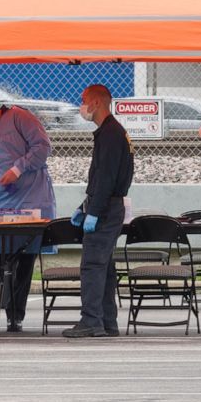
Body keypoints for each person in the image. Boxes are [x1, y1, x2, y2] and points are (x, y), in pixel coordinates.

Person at [0, 93, 56, 332]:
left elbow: (44, 147)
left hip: (32, 199)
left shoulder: (20, 118)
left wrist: (18, 168)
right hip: (2, 201)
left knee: (24, 262)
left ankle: (16, 316)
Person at [63, 84, 134, 338]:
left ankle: (91, 320)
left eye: (84, 100)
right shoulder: (112, 132)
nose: (81, 105)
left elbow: (105, 178)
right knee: (104, 266)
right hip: (106, 205)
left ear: (96, 103)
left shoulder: (110, 134)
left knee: (92, 265)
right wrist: (84, 207)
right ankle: (106, 321)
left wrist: (94, 210)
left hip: (105, 208)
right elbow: (103, 178)